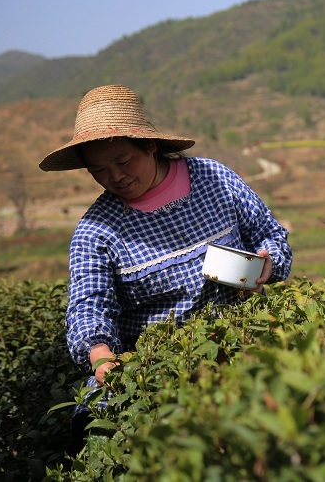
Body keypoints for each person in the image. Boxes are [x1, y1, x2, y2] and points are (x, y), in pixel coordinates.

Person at [38, 84, 293, 448]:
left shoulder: (214, 179)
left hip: (240, 342)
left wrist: (266, 265)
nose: (116, 177)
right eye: (99, 170)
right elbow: (88, 305)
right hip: (155, 364)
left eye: (124, 161)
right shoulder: (96, 231)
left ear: (151, 146)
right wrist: (102, 357)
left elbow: (270, 235)